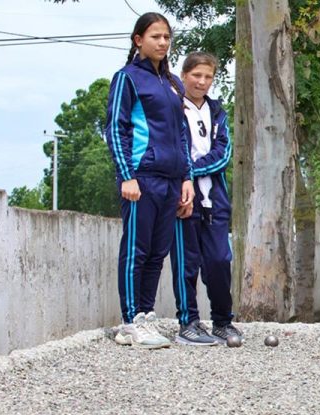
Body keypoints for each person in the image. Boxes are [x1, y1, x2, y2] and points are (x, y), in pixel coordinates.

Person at [106, 12, 194, 348]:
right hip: (141, 178)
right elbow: (116, 128)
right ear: (138, 40)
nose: (162, 42)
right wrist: (126, 176)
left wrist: (187, 177)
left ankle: (145, 315)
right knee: (136, 250)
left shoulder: (173, 84)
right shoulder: (127, 78)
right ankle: (130, 321)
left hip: (171, 180)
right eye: (155, 36)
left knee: (158, 253)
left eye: (167, 37)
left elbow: (182, 134)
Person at [169, 52, 243, 346]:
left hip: (215, 201)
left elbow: (222, 155)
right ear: (184, 75)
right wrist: (183, 175)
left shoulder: (218, 113)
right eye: (196, 75)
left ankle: (223, 321)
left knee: (219, 261)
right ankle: (188, 322)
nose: (201, 81)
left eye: (208, 76)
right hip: (183, 200)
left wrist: (191, 169)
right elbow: (173, 150)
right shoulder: (173, 108)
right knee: (186, 263)